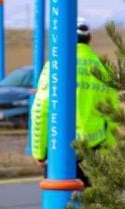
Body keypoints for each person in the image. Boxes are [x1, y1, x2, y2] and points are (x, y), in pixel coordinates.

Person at [31, 17, 119, 185]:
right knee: (94, 208)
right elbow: (113, 114)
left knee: (61, 206)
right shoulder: (103, 68)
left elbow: (40, 109)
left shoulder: (55, 66)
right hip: (96, 149)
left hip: (60, 149)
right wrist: (109, 153)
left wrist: (39, 150)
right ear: (89, 38)